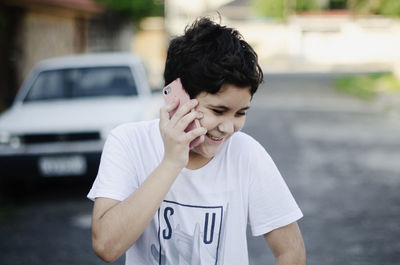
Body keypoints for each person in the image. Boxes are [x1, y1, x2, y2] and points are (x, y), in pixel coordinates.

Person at [88, 17, 306, 265]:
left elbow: (291, 251)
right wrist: (171, 162)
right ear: (177, 98)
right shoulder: (129, 142)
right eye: (218, 111)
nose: (227, 128)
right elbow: (106, 246)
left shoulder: (247, 154)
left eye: (240, 113)